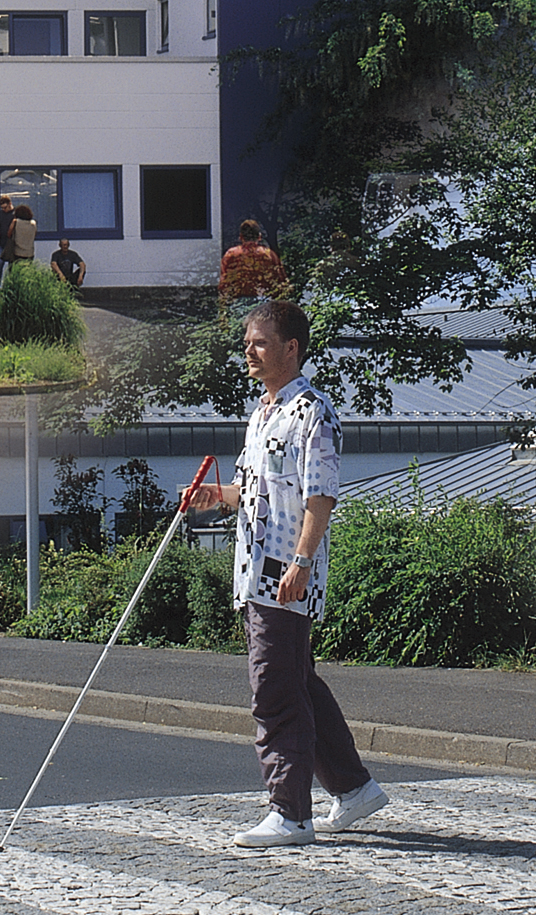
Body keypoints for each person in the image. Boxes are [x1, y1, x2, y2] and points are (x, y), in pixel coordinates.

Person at [184, 299, 389, 848]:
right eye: (248, 342)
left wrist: (301, 561)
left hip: (284, 573)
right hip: (254, 572)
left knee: (273, 689)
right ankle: (354, 789)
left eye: (259, 342)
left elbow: (319, 496)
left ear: (290, 348)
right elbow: (253, 490)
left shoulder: (313, 411)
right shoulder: (262, 412)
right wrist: (214, 497)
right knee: (299, 684)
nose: (248, 351)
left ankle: (290, 812)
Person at [219, 218, 289, 300]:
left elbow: (223, 283)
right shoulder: (269, 254)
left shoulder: (231, 254)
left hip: (237, 303)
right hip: (264, 302)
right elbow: (281, 281)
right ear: (259, 237)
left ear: (241, 237)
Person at [0, 204, 37, 285]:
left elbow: (9, 234)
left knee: (14, 275)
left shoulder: (16, 222)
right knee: (27, 274)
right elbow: (34, 234)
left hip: (17, 252)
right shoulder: (33, 223)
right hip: (29, 253)